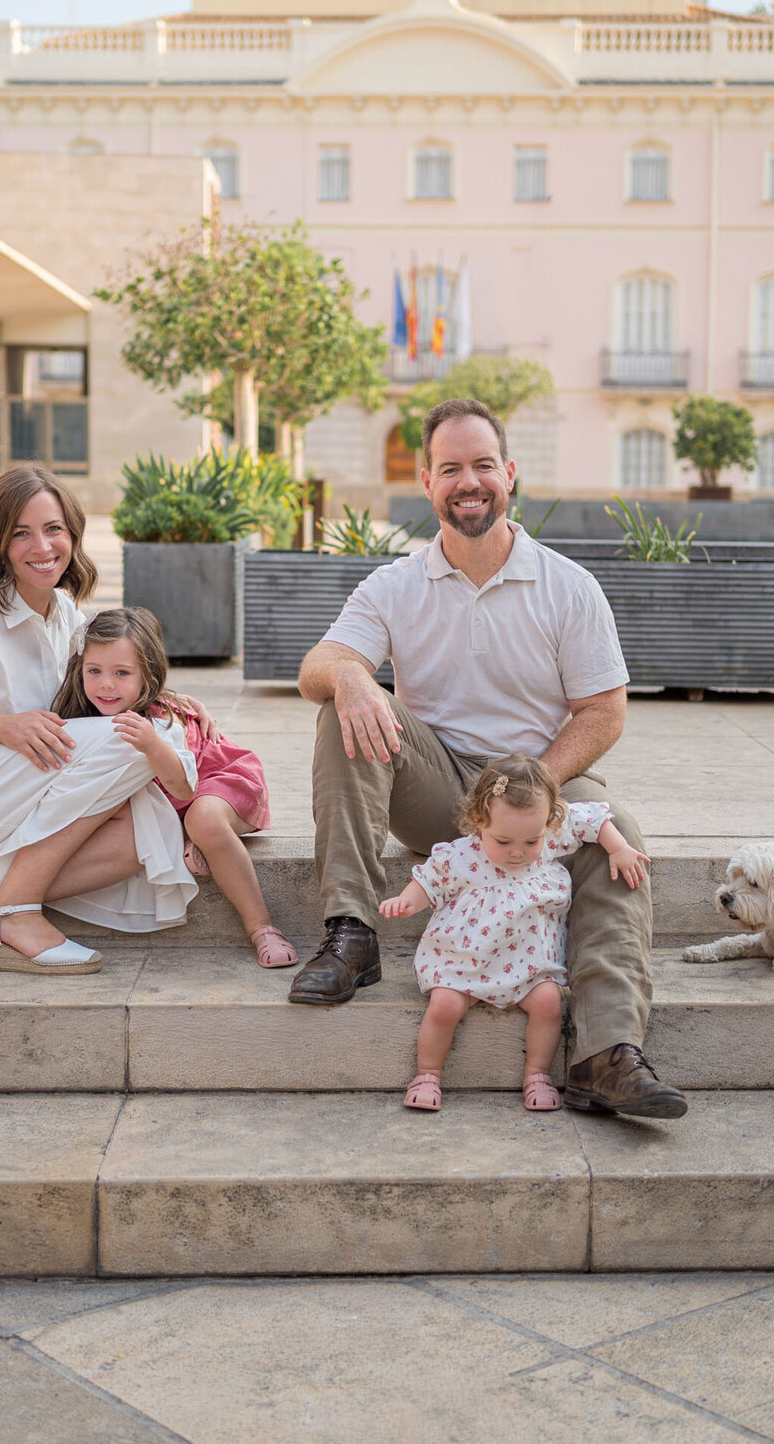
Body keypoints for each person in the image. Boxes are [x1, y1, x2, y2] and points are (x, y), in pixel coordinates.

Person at [289, 397, 688, 1121]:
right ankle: (351, 932)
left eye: (481, 465)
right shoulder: (396, 584)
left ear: (509, 473)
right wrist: (350, 676)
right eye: (450, 468)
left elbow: (604, 710)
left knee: (617, 824)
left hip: (542, 777)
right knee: (343, 710)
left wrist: (537, 786)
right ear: (426, 481)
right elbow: (319, 662)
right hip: (439, 787)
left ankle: (606, 1050)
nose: (467, 481)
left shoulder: (568, 585)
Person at [0, 464, 204, 976]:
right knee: (137, 742)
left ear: (72, 533)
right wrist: (2, 726)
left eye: (53, 529)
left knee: (144, 830)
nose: (42, 546)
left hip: (1, 792)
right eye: (20, 533)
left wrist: (172, 699)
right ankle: (16, 913)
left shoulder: (67, 614)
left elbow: (107, 679)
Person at [380, 754, 649, 1113]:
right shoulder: (462, 855)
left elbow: (594, 820)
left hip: (528, 961)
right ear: (478, 821)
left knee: (548, 1004)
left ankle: (536, 1074)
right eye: (503, 842)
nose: (518, 853)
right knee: (444, 1005)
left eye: (530, 842)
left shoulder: (549, 836)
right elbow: (430, 880)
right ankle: (427, 1073)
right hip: (466, 960)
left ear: (549, 822)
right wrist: (406, 901)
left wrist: (618, 847)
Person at [56, 607, 296, 968]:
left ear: (146, 674)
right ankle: (188, 837)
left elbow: (183, 788)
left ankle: (262, 927)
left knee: (204, 820)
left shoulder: (160, 720)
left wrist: (154, 745)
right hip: (170, 804)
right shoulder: (85, 719)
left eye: (122, 673)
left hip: (218, 780)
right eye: (95, 671)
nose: (106, 684)